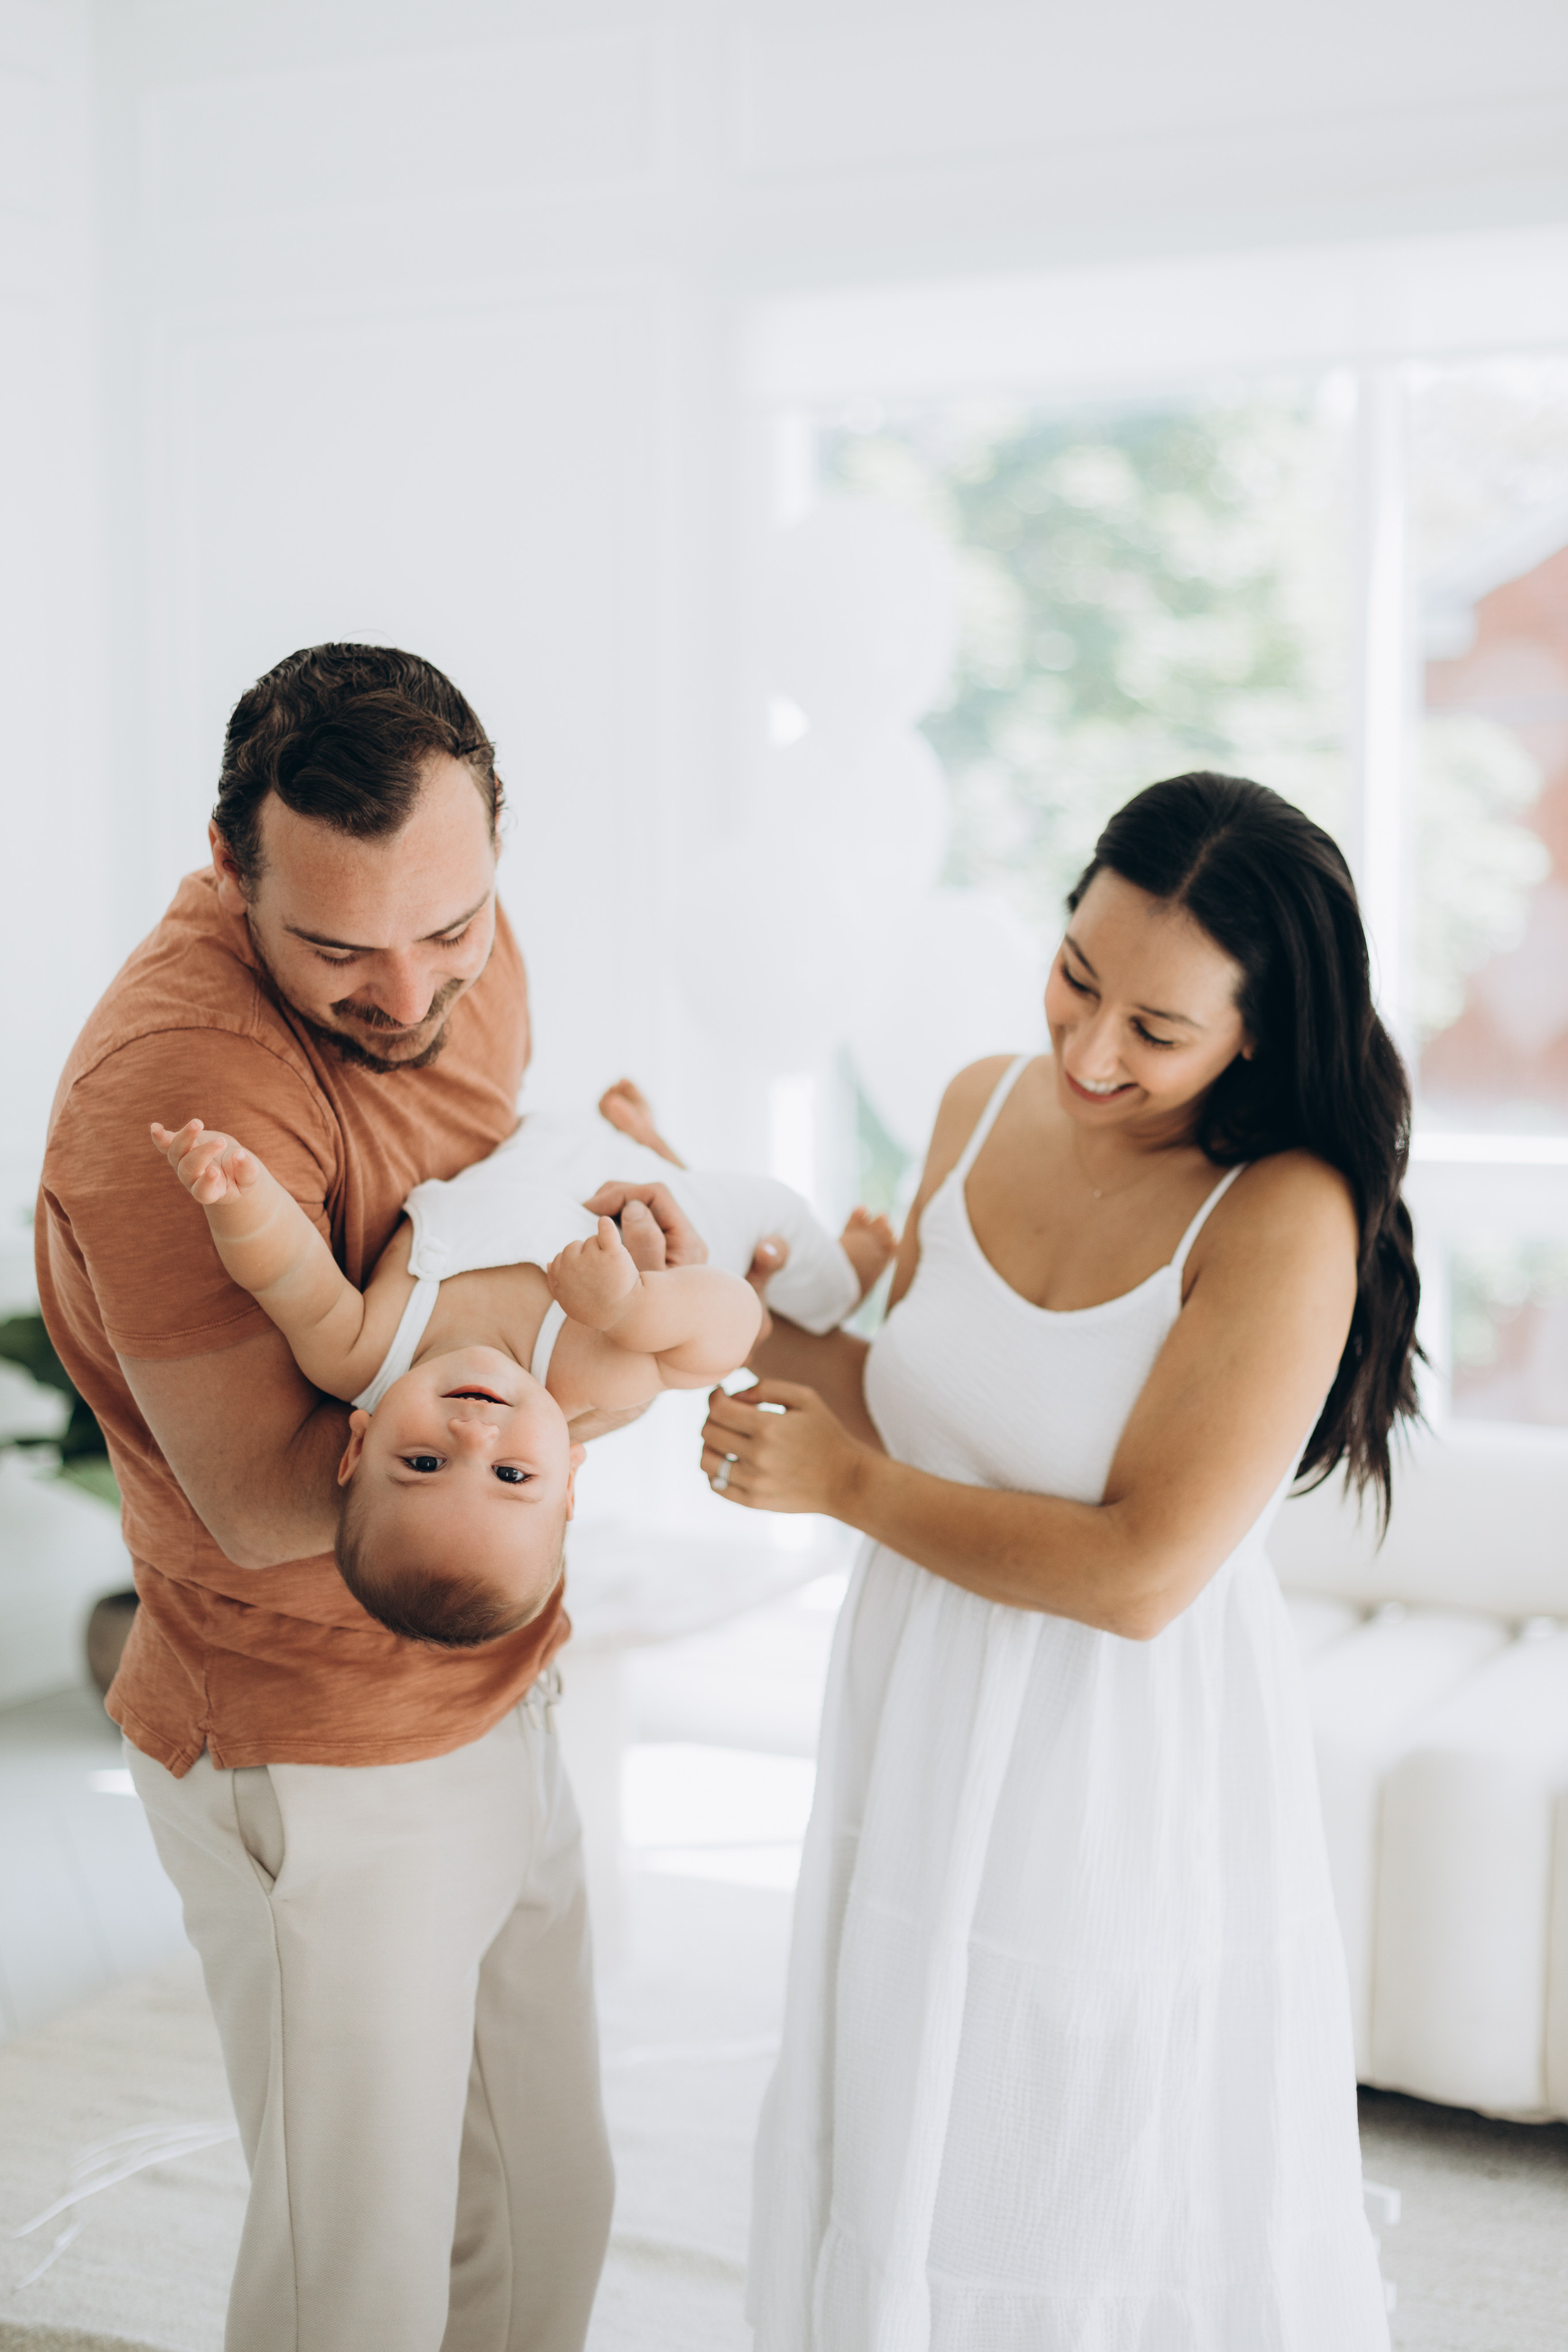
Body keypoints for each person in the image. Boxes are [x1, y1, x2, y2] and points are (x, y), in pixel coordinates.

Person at [700, 773, 1416, 2350]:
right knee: (898, 2105)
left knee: (1077, 2167)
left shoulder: (1283, 1209)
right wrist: (701, 1272)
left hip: (1113, 1745)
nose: (1090, 1054)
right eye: (1074, 979)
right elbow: (894, 1397)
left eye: (1155, 1031)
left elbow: (1142, 1571)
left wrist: (847, 1488)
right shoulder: (970, 1103)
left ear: (1257, 1029)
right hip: (919, 1692)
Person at [38, 644, 635, 2352]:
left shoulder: (460, 936)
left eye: (449, 928)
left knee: (544, 2210)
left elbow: (484, 1228)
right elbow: (266, 1496)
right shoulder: (178, 1091)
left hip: (496, 1678)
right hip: (308, 1735)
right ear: (231, 867)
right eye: (340, 950)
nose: (409, 990)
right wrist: (610, 1383)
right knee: (353, 2283)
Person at [146, 1102, 893, 1645]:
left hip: (546, 1149)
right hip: (679, 1221)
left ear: (355, 1448)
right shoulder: (590, 1375)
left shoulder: (359, 1352)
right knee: (777, 1213)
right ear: (569, 1476)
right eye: (512, 1477)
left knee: (576, 1105)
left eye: (423, 1462)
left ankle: (637, 1131)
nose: (474, 1437)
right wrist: (633, 1306)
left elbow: (287, 1271)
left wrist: (236, 1196)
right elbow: (727, 1331)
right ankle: (839, 1281)